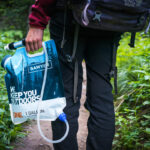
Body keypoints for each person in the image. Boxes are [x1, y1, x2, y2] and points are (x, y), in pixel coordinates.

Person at [26, 0, 122, 150]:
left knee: (65, 94)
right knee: (101, 94)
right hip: (110, 18)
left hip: (68, 16)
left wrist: (37, 21)